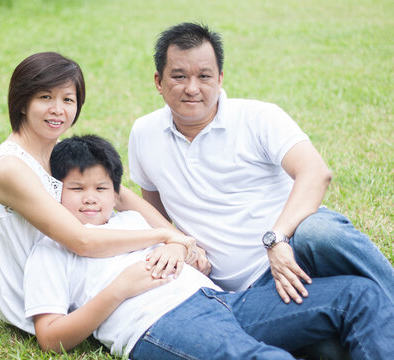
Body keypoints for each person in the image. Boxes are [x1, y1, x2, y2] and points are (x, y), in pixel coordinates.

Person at [24, 134, 394, 359]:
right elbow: (51, 338)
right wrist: (119, 290)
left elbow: (181, 242)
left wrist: (178, 247)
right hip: (160, 323)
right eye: (77, 189)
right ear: (55, 191)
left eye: (101, 189)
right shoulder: (50, 252)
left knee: (358, 294)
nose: (90, 199)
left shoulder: (131, 221)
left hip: (224, 301)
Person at [128, 22, 394, 305]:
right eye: (179, 76)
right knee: (334, 339)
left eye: (204, 76)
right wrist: (181, 246)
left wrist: (277, 239)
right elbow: (155, 216)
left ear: (219, 78)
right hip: (247, 292)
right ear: (158, 81)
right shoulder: (144, 134)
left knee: (319, 232)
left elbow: (315, 172)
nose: (192, 88)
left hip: (294, 247)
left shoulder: (258, 117)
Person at [0, 52, 200, 335]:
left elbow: (120, 196)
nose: (58, 109)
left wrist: (178, 241)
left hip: (77, 281)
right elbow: (82, 241)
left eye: (68, 100)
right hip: (43, 304)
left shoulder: (56, 151)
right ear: (22, 103)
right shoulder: (11, 167)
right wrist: (163, 236)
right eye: (45, 98)